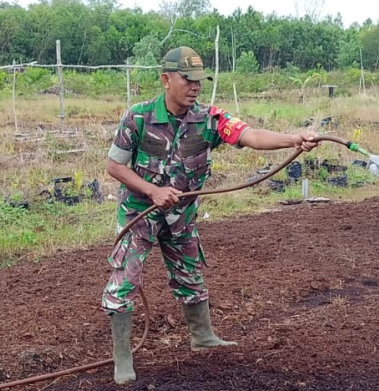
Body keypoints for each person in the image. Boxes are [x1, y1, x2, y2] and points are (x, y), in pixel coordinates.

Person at [102, 46, 320, 384]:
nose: (195, 87)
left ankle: (202, 337)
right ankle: (122, 359)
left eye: (200, 81)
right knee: (125, 281)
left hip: (180, 219)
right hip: (140, 214)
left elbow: (251, 135)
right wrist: (153, 191)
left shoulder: (209, 119)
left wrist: (294, 138)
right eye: (188, 80)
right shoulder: (139, 117)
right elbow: (114, 166)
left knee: (190, 277)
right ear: (166, 79)